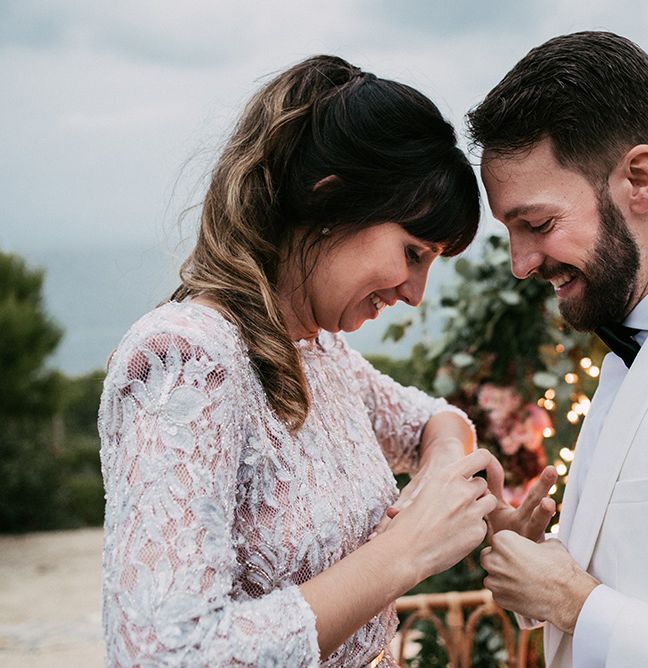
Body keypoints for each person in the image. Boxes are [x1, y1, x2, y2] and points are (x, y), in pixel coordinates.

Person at [98, 54, 503, 667]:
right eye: (413, 251)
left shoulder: (318, 349)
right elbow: (164, 653)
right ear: (329, 203)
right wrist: (407, 551)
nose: (416, 294)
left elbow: (432, 421)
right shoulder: (186, 361)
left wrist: (441, 470)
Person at [468, 31, 648, 667]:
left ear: (639, 179)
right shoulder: (630, 335)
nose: (521, 263)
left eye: (538, 225)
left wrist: (573, 602)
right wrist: (542, 567)